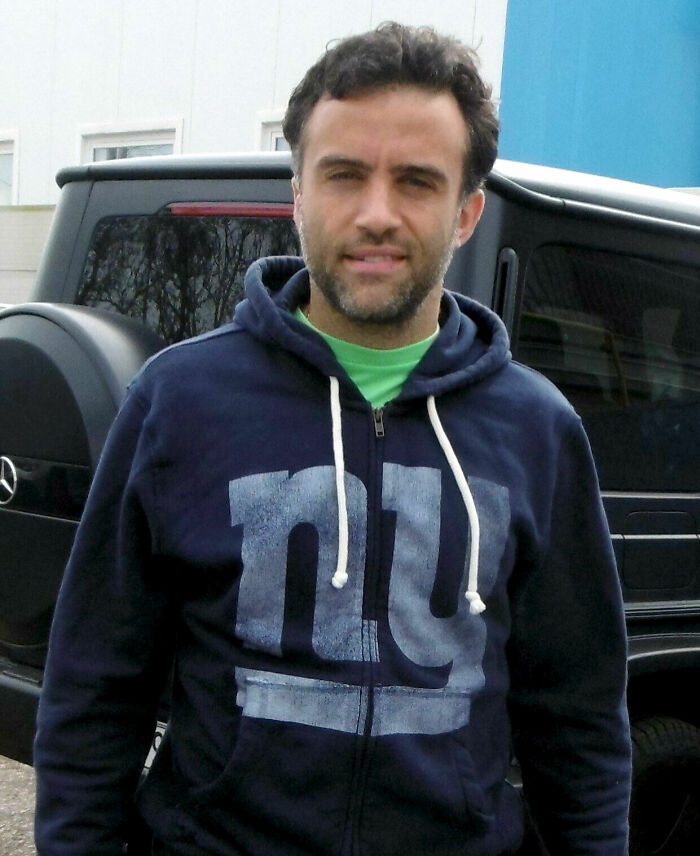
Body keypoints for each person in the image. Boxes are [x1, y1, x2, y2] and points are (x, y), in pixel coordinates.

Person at [34, 21, 631, 856]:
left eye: (417, 181)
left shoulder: (538, 429)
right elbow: (93, 692)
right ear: (299, 195)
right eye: (344, 175)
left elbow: (581, 725)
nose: (376, 214)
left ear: (466, 212)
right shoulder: (178, 402)